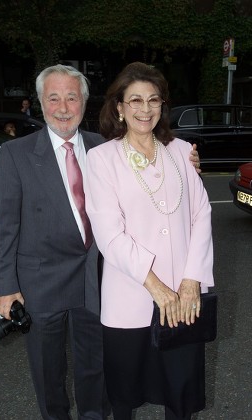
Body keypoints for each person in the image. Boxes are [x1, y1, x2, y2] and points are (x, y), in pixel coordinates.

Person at [0, 64, 200, 420]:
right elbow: (5, 226)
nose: (63, 107)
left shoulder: (103, 146)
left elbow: (154, 184)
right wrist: (6, 287)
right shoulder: (16, 155)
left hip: (95, 279)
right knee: (48, 371)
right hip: (41, 283)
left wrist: (189, 162)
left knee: (95, 369)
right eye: (53, 98)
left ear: (84, 102)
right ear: (40, 102)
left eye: (72, 97)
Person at [85, 62, 214, 420]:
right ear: (119, 108)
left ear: (162, 106)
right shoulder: (101, 159)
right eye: (135, 100)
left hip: (184, 297)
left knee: (181, 391)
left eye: (153, 100)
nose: (145, 109)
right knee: (126, 394)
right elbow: (109, 234)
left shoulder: (182, 151)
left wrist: (191, 281)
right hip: (130, 297)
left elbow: (201, 213)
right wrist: (157, 288)